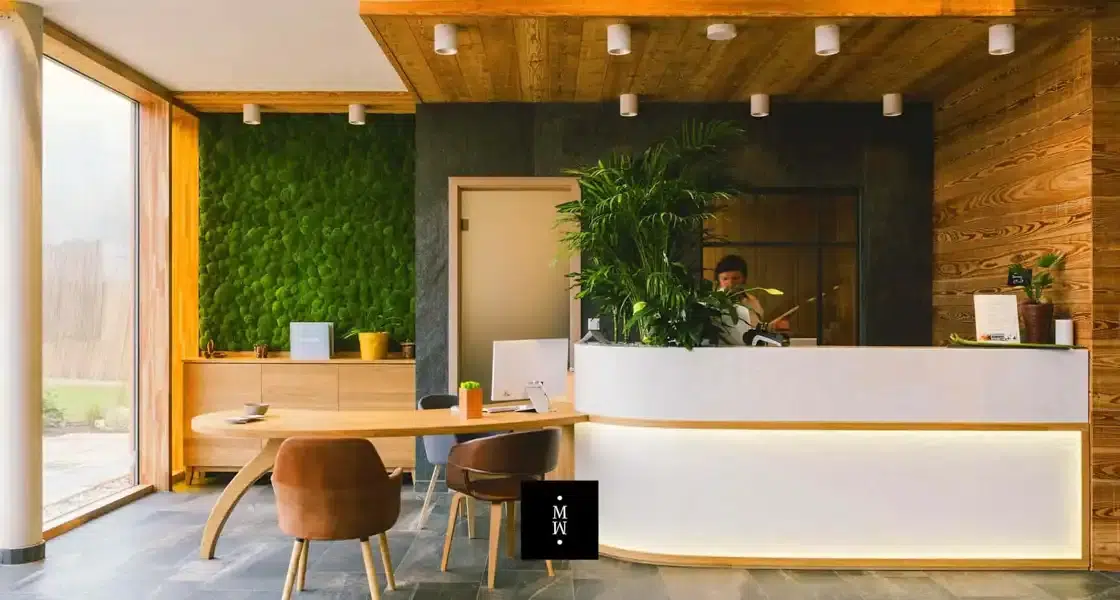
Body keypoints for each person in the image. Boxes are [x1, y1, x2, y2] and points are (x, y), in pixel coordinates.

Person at [713, 254, 790, 332]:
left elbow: (757, 328)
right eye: (725, 279)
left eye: (735, 278)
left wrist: (773, 327)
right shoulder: (711, 303)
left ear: (744, 279)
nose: (730, 283)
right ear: (718, 281)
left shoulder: (753, 301)